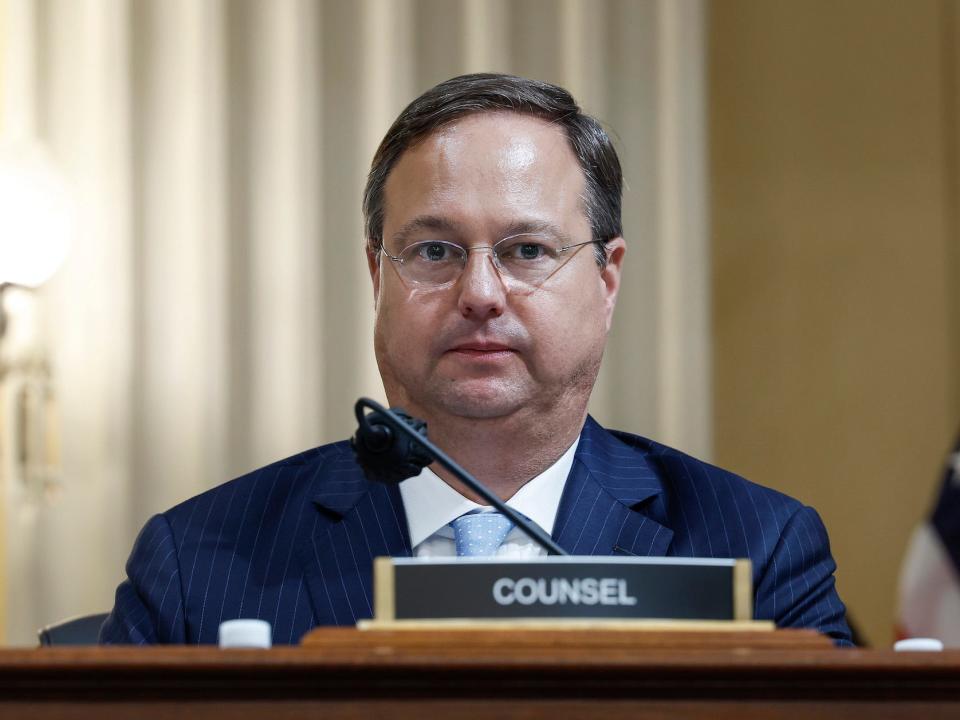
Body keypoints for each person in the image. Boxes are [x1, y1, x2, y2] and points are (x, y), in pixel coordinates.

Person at [100, 73, 852, 645]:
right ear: (377, 275)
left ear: (607, 277)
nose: (481, 293)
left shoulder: (756, 554)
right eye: (434, 251)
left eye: (528, 250)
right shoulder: (198, 563)